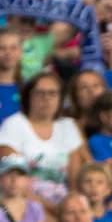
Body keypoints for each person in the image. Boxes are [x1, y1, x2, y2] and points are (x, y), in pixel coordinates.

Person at [0, 70, 83, 208]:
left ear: (61, 98)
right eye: (40, 93)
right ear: (28, 97)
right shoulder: (13, 125)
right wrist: (54, 210)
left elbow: (75, 180)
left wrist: (71, 208)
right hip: (23, 201)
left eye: (52, 93)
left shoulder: (68, 126)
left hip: (64, 205)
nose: (46, 98)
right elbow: (13, 181)